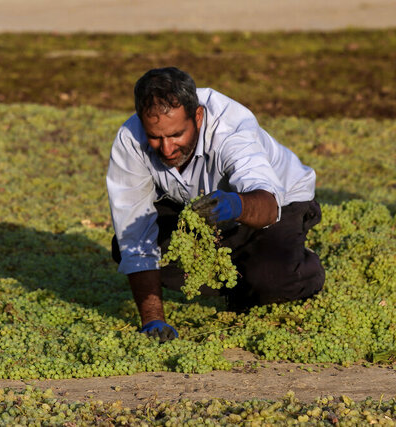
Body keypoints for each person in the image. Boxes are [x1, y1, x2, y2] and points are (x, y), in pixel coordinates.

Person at [106, 67, 325, 343]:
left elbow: (268, 204)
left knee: (272, 280)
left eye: (175, 135)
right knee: (129, 246)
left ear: (198, 117)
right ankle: (236, 271)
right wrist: (152, 319)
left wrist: (236, 205)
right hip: (199, 204)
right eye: (155, 137)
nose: (167, 149)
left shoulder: (232, 129)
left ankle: (301, 267)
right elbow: (133, 234)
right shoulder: (131, 139)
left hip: (277, 201)